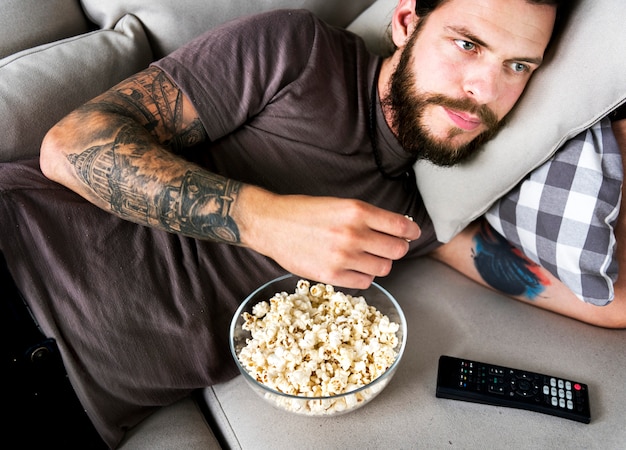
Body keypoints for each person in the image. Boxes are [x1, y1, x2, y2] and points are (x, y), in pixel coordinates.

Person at [1, 0, 571, 446]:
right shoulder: (300, 51)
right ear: (406, 22)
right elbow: (71, 147)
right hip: (18, 257)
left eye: (518, 66)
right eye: (468, 44)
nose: (485, 91)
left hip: (75, 410)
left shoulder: (418, 217)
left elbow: (604, 302)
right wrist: (263, 219)